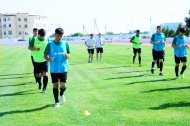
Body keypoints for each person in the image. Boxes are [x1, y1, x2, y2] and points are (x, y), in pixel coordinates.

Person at [44, 28, 70, 108]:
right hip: (54, 69)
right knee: (55, 86)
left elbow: (68, 54)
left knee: (63, 86)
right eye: (58, 35)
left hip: (63, 69)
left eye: (61, 36)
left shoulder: (65, 43)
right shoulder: (50, 44)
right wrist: (48, 59)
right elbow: (45, 55)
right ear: (55, 34)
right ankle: (56, 102)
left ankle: (61, 94)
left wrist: (67, 56)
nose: (59, 37)